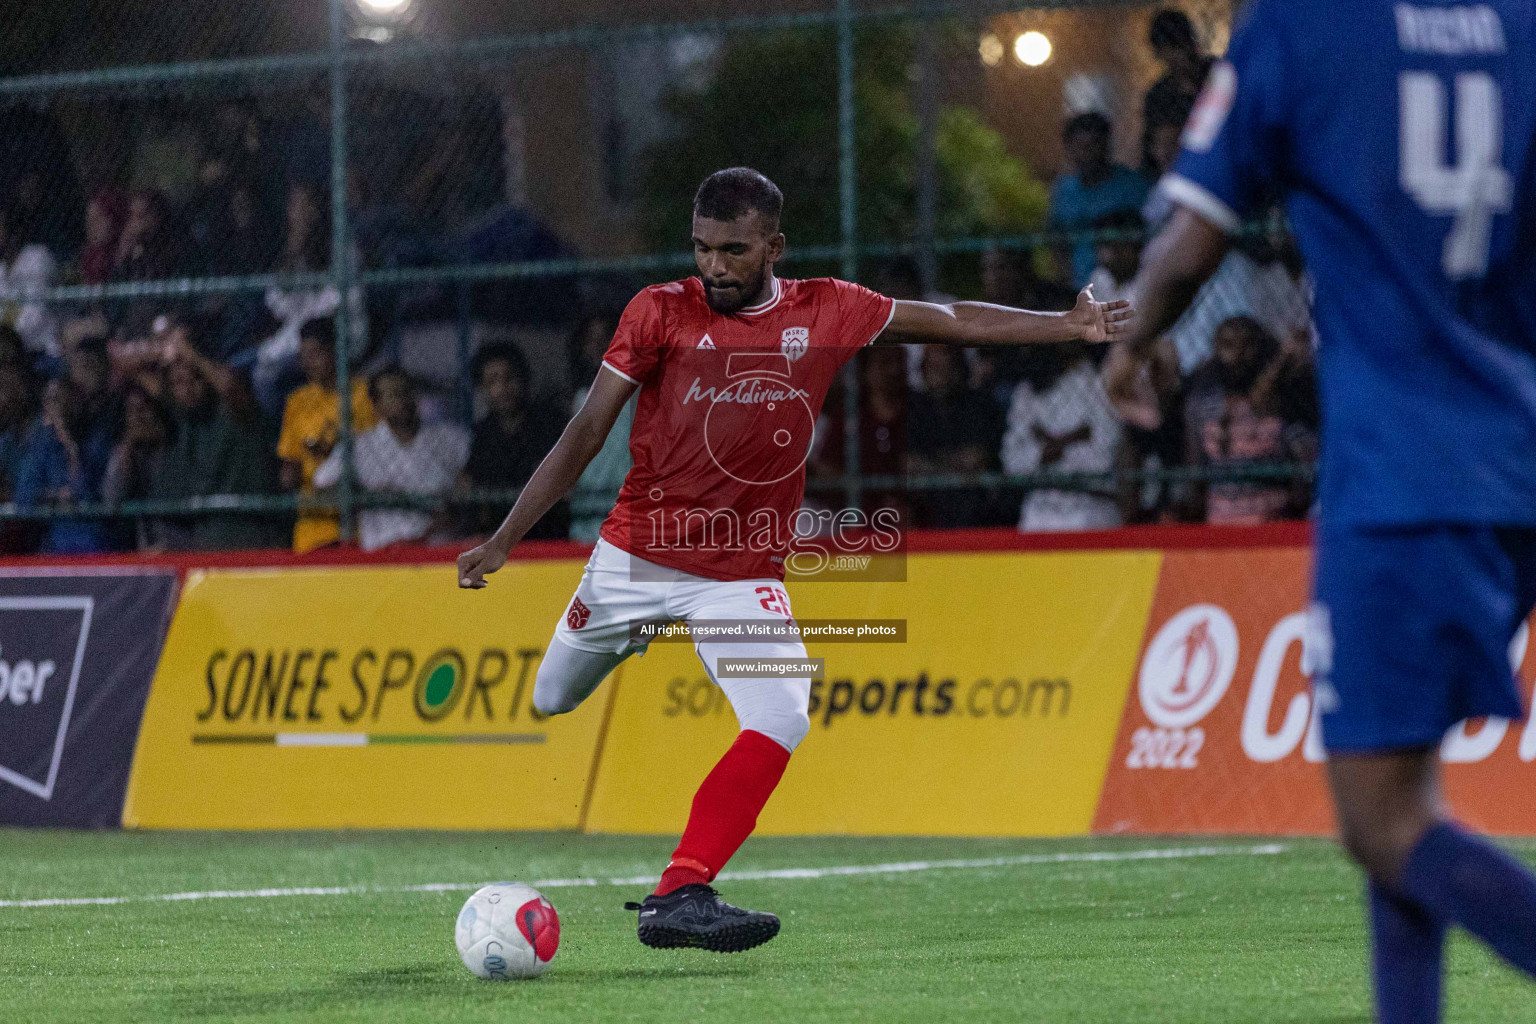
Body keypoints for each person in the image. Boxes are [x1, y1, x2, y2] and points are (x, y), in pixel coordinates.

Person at [454, 167, 1129, 952]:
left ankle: (682, 891)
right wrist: (506, 537)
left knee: (782, 714)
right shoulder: (657, 312)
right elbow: (584, 433)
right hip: (633, 560)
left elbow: (945, 317)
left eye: (734, 251)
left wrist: (1065, 325)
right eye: (703, 248)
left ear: (774, 246)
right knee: (554, 694)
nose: (715, 266)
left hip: (738, 579)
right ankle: (624, 640)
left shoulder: (828, 309)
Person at [1120, 3, 1536, 1020]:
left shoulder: (1306, 31)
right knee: (1407, 800)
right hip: (1515, 459)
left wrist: (1129, 338)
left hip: (1401, 475)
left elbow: (1189, 244)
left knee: (1383, 822)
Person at [315, 366, 468, 552]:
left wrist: (453, 506)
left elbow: (470, 487)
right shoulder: (360, 446)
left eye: (406, 391)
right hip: (382, 549)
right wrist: (366, 494)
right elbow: (322, 486)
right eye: (393, 394)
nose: (402, 399)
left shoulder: (450, 438)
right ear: (377, 404)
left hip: (439, 549)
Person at [1181, 316, 1315, 524]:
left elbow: (1303, 476)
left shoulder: (1284, 403)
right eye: (1228, 346)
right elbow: (1196, 477)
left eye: (1246, 346)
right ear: (1215, 350)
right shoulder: (1202, 406)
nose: (1236, 355)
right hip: (1220, 526)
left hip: (1275, 527)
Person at [1000, 342, 1123, 531]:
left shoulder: (1101, 385)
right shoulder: (1027, 392)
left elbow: (1102, 460)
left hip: (1091, 507)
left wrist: (1046, 445)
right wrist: (1074, 439)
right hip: (1038, 509)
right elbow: (1012, 461)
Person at [276, 319, 375, 552]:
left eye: (315, 354)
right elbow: (290, 463)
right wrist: (290, 475)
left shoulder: (366, 395)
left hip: (359, 527)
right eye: (303, 356)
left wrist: (336, 451)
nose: (308, 363)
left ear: (335, 350)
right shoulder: (298, 402)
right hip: (313, 529)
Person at [461, 341, 569, 540]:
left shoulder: (549, 423)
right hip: (497, 532)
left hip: (547, 529)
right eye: (492, 381)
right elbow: (473, 484)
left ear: (523, 380)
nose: (502, 388)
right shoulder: (483, 433)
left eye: (509, 378)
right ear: (482, 388)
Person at [906, 345, 1006, 529]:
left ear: (961, 368)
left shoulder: (978, 405)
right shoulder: (915, 408)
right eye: (934, 368)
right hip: (927, 505)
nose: (941, 377)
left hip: (972, 506)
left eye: (948, 367)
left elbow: (974, 460)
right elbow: (910, 464)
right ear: (923, 370)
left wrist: (930, 465)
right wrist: (954, 467)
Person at [1048, 112, 1150, 288]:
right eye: (1080, 147)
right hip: (1078, 285)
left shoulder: (1133, 186)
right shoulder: (1064, 190)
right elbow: (1057, 241)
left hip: (1127, 284)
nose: (1088, 154)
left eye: (1094, 145)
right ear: (1069, 149)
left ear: (1106, 145)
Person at [0, 203, 59, 359]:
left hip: (39, 348)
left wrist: (9, 336)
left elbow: (36, 312)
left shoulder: (36, 257)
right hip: (6, 347)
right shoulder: (1, 270)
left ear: (13, 231)